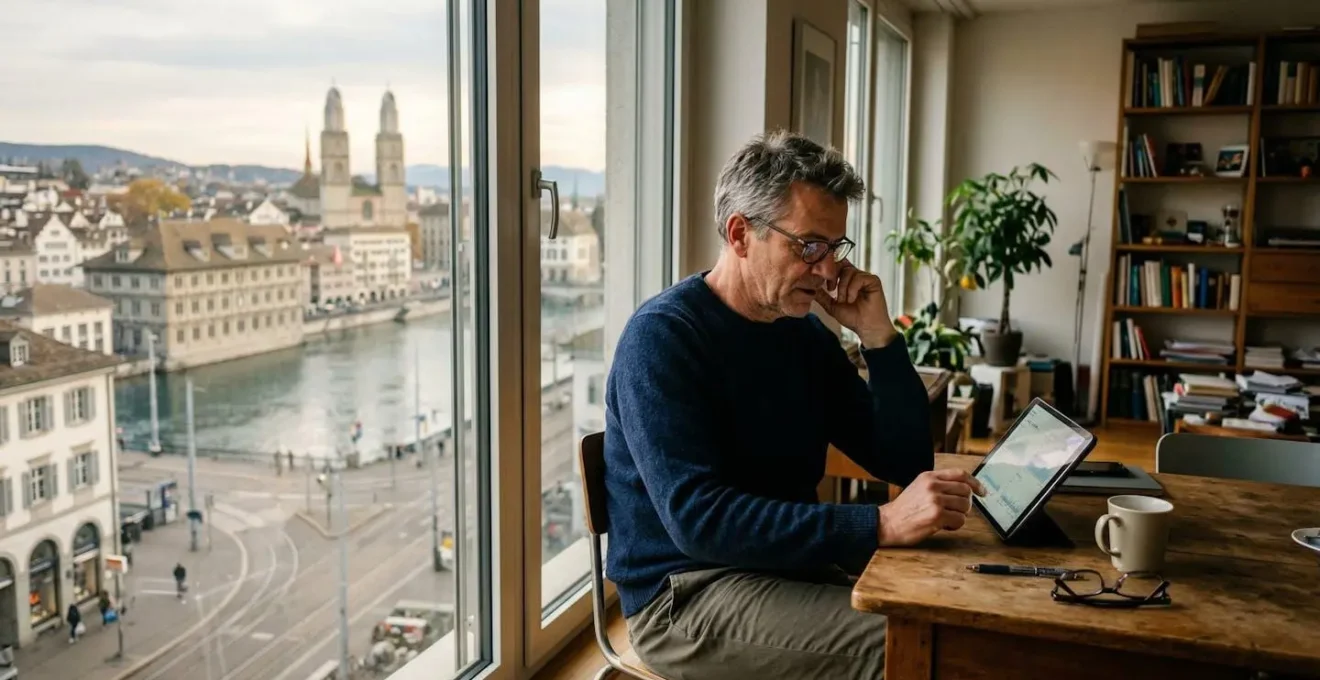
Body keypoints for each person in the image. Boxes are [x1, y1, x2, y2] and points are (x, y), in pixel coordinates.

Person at [606, 130, 986, 679]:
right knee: (920, 648)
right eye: (809, 246)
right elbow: (699, 521)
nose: (829, 269)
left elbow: (903, 461)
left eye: (835, 248)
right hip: (686, 594)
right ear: (741, 234)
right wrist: (878, 523)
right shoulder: (663, 338)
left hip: (783, 569)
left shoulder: (802, 334)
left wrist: (880, 339)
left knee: (959, 613)